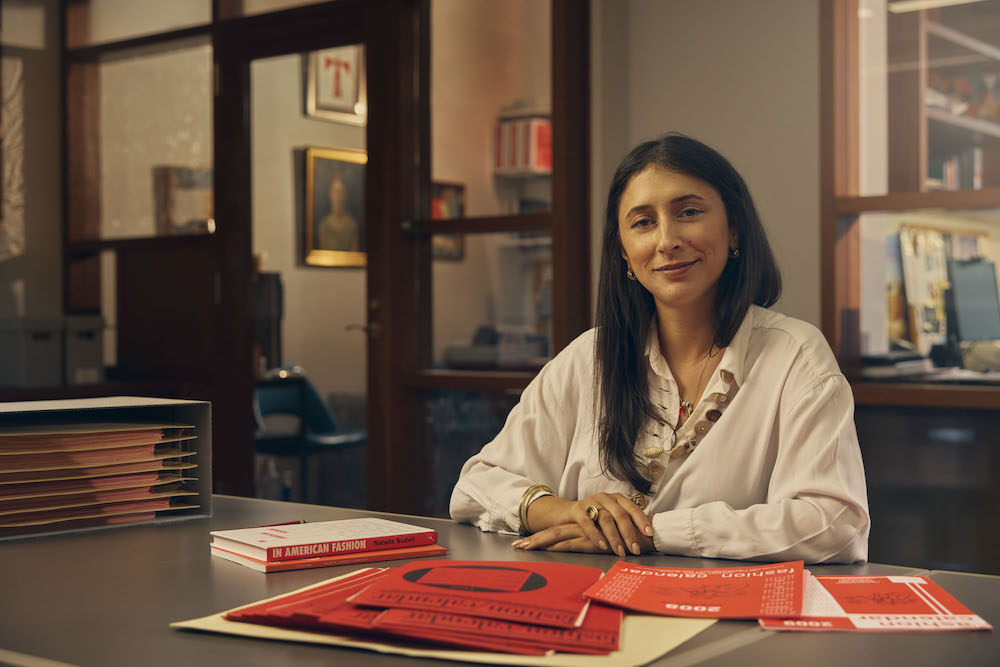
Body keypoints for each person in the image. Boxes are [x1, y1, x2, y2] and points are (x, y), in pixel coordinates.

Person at [450, 133, 870, 563]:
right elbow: (475, 485)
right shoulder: (589, 357)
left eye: (688, 212)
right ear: (624, 253)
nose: (667, 240)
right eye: (643, 222)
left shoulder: (794, 355)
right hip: (590, 609)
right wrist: (564, 511)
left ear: (734, 230)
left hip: (720, 615)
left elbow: (833, 521)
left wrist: (651, 531)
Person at [318, 170, 359, 251]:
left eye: (341, 192)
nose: (338, 196)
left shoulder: (352, 225)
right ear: (330, 194)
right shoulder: (324, 226)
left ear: (345, 195)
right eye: (336, 191)